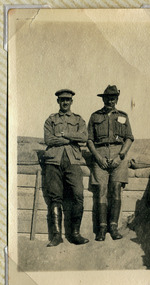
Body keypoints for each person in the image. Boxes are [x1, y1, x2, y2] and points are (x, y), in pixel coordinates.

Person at [87, 85, 134, 241]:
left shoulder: (123, 116)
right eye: (107, 98)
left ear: (117, 99)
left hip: (118, 156)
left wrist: (120, 156)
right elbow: (89, 140)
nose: (110, 100)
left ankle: (113, 227)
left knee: (115, 189)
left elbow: (129, 138)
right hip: (100, 155)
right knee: (101, 190)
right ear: (103, 99)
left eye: (113, 98)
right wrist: (98, 158)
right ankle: (101, 229)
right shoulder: (95, 116)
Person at [44, 89, 89, 247]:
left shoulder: (78, 119)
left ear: (71, 102)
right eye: (62, 100)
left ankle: (75, 234)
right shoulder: (51, 119)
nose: (64, 102)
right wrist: (67, 140)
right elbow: (48, 139)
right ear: (58, 101)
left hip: (73, 161)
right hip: (53, 161)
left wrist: (66, 135)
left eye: (67, 100)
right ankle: (57, 236)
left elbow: (84, 137)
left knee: (78, 194)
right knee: (55, 197)